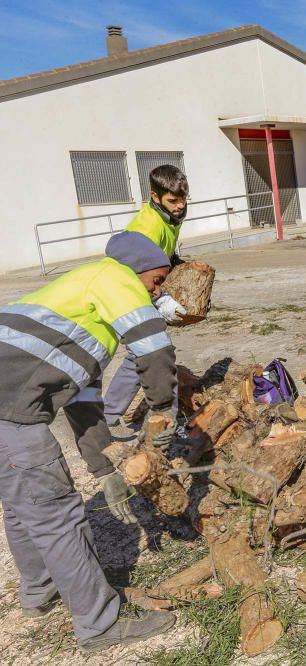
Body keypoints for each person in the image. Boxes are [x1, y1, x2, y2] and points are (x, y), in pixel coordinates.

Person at [0, 231, 178, 652]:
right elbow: (154, 350)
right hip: (10, 417)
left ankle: (39, 592)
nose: (158, 292)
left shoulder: (82, 312)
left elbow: (81, 404)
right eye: (156, 281)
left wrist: (104, 469)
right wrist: (163, 408)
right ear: (137, 272)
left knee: (22, 505)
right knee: (58, 515)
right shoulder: (116, 278)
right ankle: (99, 624)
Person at [104, 164, 189, 425]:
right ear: (155, 197)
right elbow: (134, 270)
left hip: (145, 284)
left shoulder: (169, 216)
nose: (180, 206)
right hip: (129, 287)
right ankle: (107, 416)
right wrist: (158, 298)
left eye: (183, 200)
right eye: (173, 201)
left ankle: (111, 412)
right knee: (144, 350)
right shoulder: (147, 227)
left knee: (148, 350)